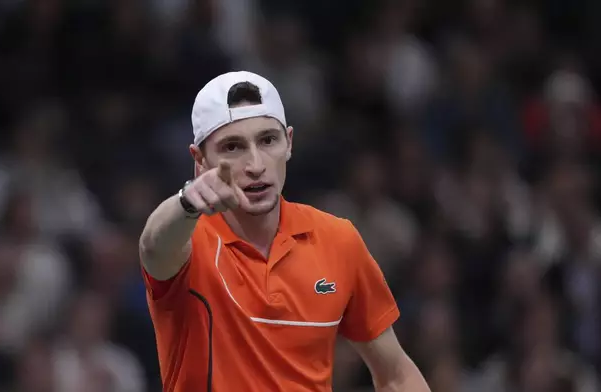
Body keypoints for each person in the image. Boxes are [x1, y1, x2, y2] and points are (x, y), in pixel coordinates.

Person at [139, 71, 431, 392]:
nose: (255, 164)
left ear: (289, 142)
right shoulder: (187, 240)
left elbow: (396, 374)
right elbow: (153, 246)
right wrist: (187, 202)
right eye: (233, 147)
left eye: (268, 140)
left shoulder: (338, 240)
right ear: (200, 161)